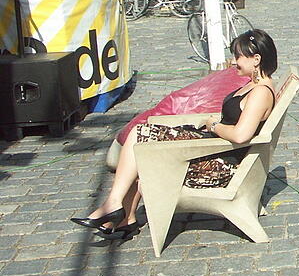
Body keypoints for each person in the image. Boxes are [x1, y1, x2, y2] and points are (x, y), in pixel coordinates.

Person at [70, 30, 278, 241]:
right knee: (140, 138)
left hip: (220, 164)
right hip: (212, 150)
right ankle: (124, 216)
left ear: (256, 59)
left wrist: (214, 125)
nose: (233, 62)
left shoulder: (260, 93)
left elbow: (241, 135)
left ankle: (116, 208)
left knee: (140, 138)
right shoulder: (254, 85)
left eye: (238, 57)